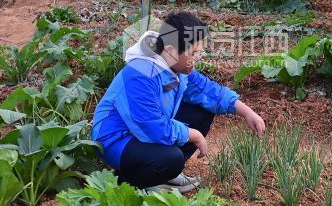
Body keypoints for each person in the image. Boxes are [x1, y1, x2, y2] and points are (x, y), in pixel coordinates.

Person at [92, 12, 265, 192]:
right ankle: (131, 183)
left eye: (199, 52)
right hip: (115, 139)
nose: (198, 57)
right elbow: (149, 126)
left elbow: (207, 91)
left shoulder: (177, 68)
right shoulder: (141, 74)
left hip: (142, 132)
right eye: (193, 52)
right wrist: (193, 134)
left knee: (201, 113)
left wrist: (245, 111)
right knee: (171, 159)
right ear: (171, 50)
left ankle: (162, 175)